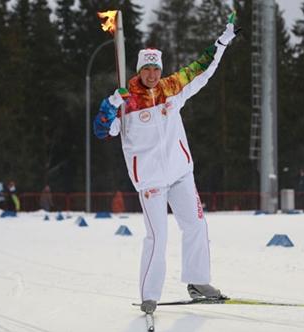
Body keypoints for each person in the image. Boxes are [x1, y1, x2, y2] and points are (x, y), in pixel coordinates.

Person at [93, 12, 239, 314]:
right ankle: (149, 296)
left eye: (155, 68)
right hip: (150, 182)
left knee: (196, 224)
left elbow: (201, 69)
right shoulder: (126, 100)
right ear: (139, 70)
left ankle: (198, 282)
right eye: (146, 68)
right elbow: (100, 130)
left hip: (180, 173)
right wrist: (110, 105)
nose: (152, 74)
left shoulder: (172, 89)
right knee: (157, 236)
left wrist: (221, 43)